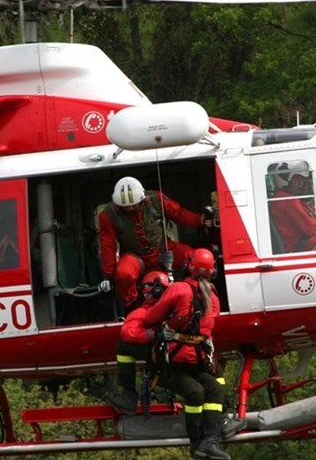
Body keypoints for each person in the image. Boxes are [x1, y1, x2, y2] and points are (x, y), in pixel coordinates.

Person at [144, 248, 231, 460]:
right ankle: (199, 442)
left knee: (212, 391)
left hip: (178, 361)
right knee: (199, 392)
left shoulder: (179, 289)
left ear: (189, 266)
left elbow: (152, 317)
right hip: (181, 364)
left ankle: (209, 441)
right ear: (212, 272)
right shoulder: (213, 297)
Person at [98, 176, 211, 313]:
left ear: (143, 198)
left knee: (192, 257)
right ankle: (133, 307)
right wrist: (110, 276)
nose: (131, 208)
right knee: (124, 275)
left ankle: (199, 297)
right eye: (126, 207)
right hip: (135, 256)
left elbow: (178, 214)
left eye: (134, 204)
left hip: (162, 249)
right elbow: (108, 245)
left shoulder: (157, 199)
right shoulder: (108, 215)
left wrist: (199, 221)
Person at [107, 270, 172, 415]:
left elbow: (128, 333)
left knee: (122, 346)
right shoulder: (183, 303)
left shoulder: (144, 312)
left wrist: (152, 335)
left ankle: (129, 396)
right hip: (189, 353)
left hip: (168, 356)